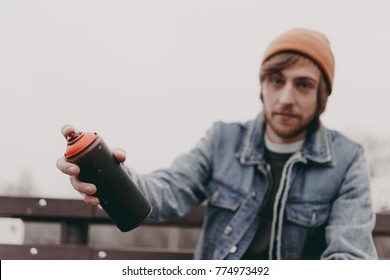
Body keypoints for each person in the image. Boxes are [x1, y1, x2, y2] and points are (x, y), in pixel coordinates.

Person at [56, 28, 378, 260]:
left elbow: (350, 258)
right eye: (276, 80)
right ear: (262, 85)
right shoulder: (223, 140)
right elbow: (169, 190)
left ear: (322, 97)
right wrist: (113, 178)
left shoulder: (347, 160)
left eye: (304, 85)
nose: (286, 98)